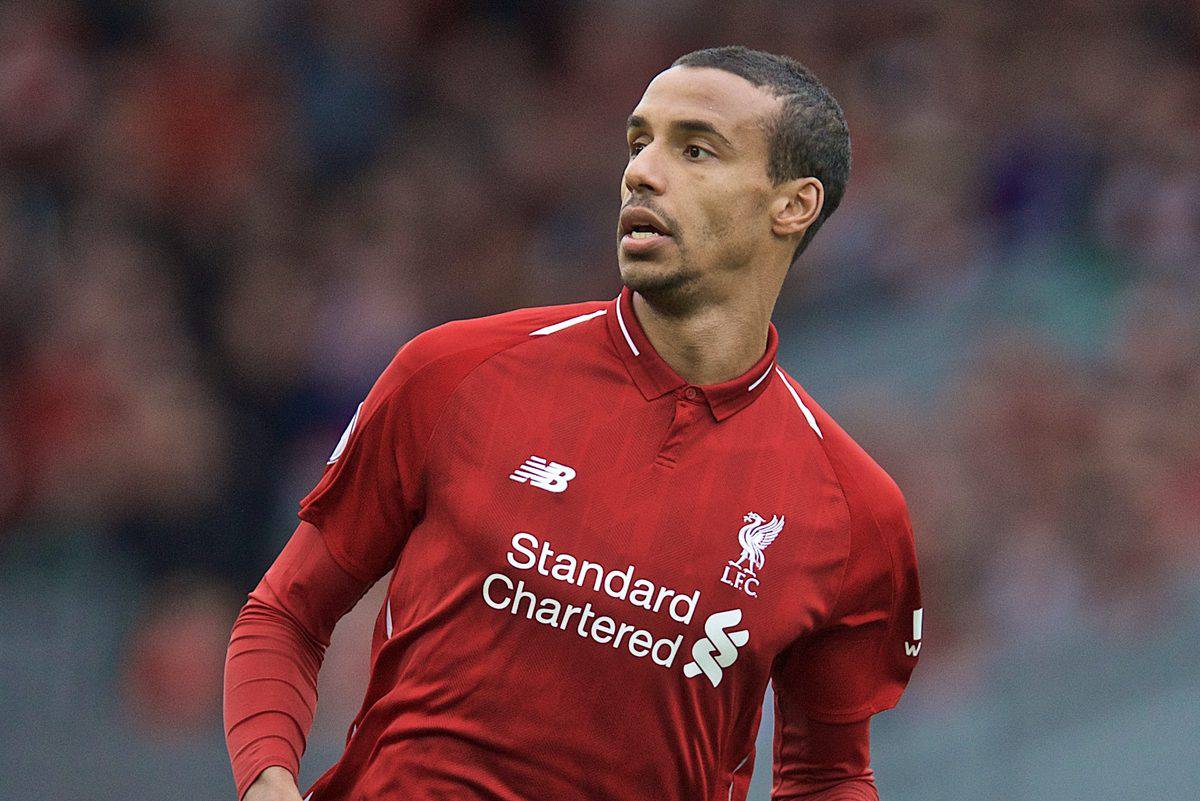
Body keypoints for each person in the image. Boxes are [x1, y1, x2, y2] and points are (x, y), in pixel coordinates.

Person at [224, 45, 922, 801]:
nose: (643, 172)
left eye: (695, 149)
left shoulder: (855, 511)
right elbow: (286, 614)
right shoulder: (454, 373)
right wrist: (268, 786)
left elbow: (828, 776)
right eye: (639, 142)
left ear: (793, 204)